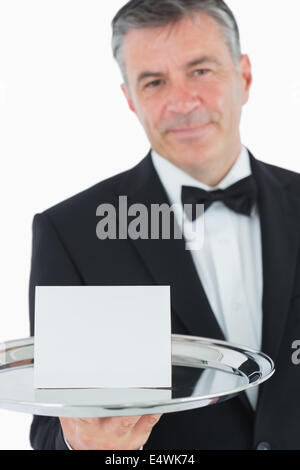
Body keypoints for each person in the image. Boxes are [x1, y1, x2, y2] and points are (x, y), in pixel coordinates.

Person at [29, 0, 300, 450]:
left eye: (201, 71)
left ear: (244, 76)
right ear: (131, 100)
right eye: (154, 82)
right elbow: (52, 430)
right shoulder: (73, 233)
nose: (182, 102)